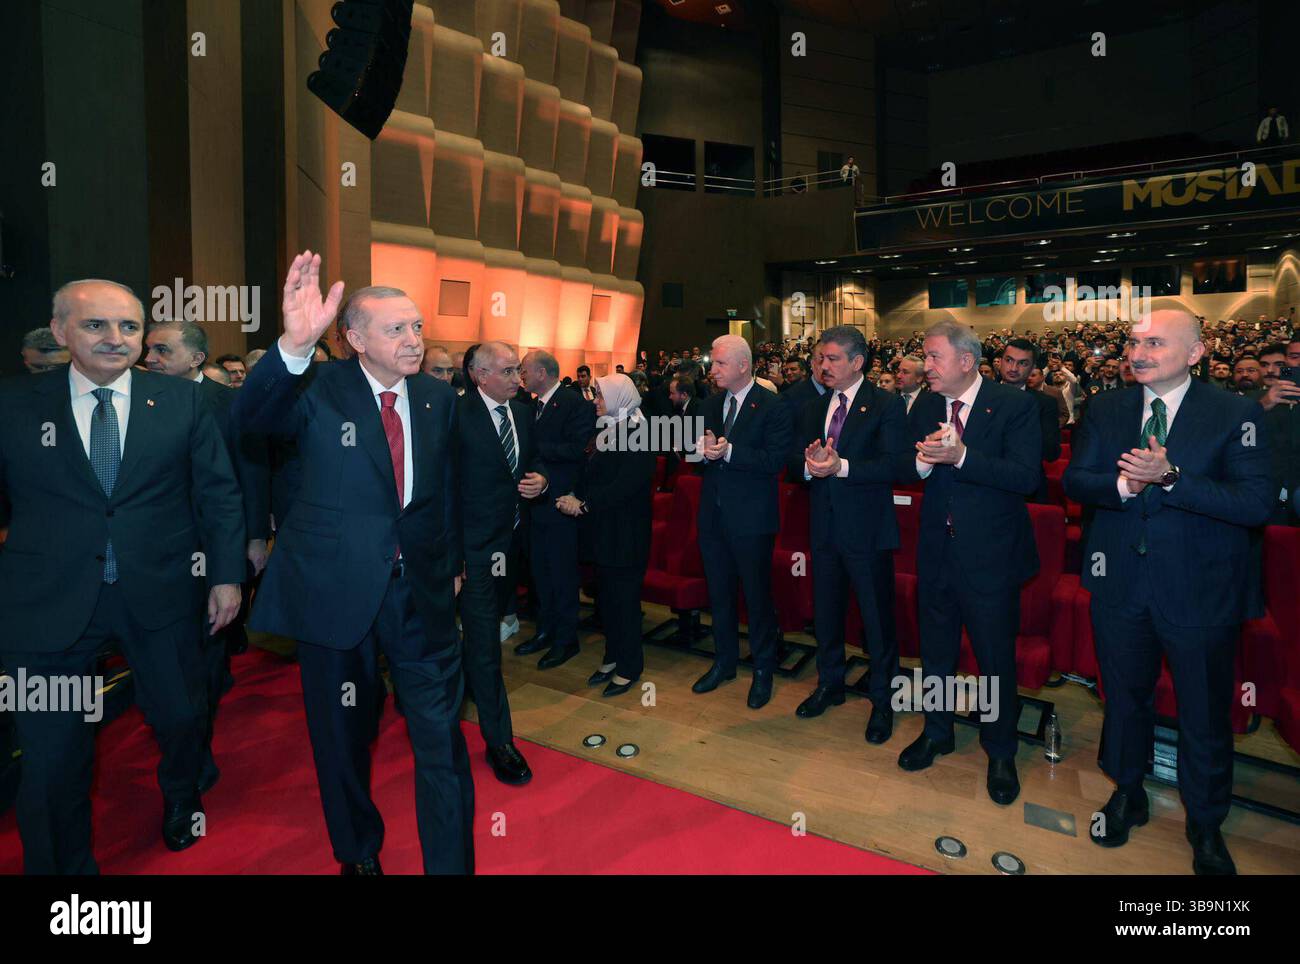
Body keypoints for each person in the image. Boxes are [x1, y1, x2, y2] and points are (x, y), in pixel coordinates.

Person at [232, 252, 473, 875]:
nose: (414, 340)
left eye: (418, 327)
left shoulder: (436, 400)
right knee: (343, 737)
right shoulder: (315, 388)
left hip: (421, 597)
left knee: (442, 741)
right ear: (354, 337)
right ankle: (358, 852)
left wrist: (450, 564)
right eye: (397, 329)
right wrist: (292, 344)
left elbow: (442, 493)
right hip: (334, 594)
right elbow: (250, 421)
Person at [0, 279, 245, 873]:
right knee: (52, 759)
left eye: (129, 327)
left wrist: (225, 575)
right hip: (47, 607)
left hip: (160, 596)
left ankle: (182, 798)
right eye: (96, 326)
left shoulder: (185, 402)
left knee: (182, 719)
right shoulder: (13, 403)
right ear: (61, 332)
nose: (115, 339)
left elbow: (219, 495)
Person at [1063, 309, 1273, 875]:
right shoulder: (1106, 407)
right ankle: (1127, 792)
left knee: (1204, 713)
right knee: (1123, 700)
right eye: (1134, 341)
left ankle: (1205, 823)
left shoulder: (1235, 413)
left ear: (1196, 353)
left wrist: (1172, 478)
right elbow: (1074, 481)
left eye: (1155, 342)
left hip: (1201, 593)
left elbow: (1255, 503)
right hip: (1120, 587)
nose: (1139, 352)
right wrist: (1123, 485)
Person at [900, 320, 1041, 805]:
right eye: (925, 356)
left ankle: (1000, 749)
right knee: (935, 652)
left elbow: (1026, 478)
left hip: (992, 558)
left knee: (994, 658)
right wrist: (921, 462)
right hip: (936, 551)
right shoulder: (923, 404)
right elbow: (907, 465)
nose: (926, 366)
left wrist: (962, 457)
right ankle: (938, 731)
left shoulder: (1013, 405)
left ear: (965, 360)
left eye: (934, 356)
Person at [143, 319, 271, 788]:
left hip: (215, 547)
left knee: (209, 655)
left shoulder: (231, 407)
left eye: (161, 350)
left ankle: (196, 746)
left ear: (196, 359)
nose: (149, 359)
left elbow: (251, 476)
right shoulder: (134, 400)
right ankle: (181, 734)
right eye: (148, 350)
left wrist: (255, 538)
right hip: (154, 554)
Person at [793, 327, 909, 742]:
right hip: (823, 527)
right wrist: (809, 465)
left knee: (877, 619)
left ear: (857, 362)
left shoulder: (886, 405)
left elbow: (897, 465)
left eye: (833, 358)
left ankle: (883, 700)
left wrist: (841, 466)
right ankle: (830, 684)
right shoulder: (813, 406)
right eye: (821, 358)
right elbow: (794, 461)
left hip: (867, 530)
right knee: (826, 611)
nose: (824, 365)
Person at [454, 341, 547, 785]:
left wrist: (543, 478)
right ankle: (499, 742)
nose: (518, 379)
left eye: (518, 371)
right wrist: (457, 556)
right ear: (480, 374)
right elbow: (444, 491)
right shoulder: (457, 417)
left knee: (480, 642)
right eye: (509, 371)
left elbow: (537, 458)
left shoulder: (524, 413)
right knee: (485, 646)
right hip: (472, 552)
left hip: (512, 548)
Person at [692, 335, 793, 709]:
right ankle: (725, 662)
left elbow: (774, 461)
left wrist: (729, 451)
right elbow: (692, 453)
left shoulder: (773, 406)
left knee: (756, 598)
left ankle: (763, 670)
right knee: (718, 595)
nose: (712, 369)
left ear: (742, 366)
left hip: (751, 519)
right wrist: (698, 452)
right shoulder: (710, 404)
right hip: (713, 516)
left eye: (719, 363)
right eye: (713, 363)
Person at [556, 374, 657, 696]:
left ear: (617, 398)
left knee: (624, 604)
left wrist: (583, 505)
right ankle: (613, 656)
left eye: (599, 396)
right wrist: (572, 495)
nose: (595, 401)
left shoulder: (641, 433)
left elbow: (624, 487)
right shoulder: (609, 428)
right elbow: (592, 475)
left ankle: (629, 666)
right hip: (602, 532)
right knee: (608, 602)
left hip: (625, 534)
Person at [517, 349, 596, 668]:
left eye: (524, 370)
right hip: (534, 504)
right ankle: (545, 630)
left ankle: (566, 639)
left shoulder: (574, 403)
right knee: (540, 571)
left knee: (562, 574)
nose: (521, 376)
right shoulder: (528, 405)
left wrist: (537, 457)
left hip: (561, 501)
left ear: (542, 372)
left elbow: (577, 451)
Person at [999, 338, 1062, 502]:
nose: (1013, 368)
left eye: (1023, 363)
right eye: (1009, 360)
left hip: (1028, 489)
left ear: (1032, 368)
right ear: (999, 362)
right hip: (985, 486)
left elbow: (1051, 452)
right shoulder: (980, 398)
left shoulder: (1044, 403)